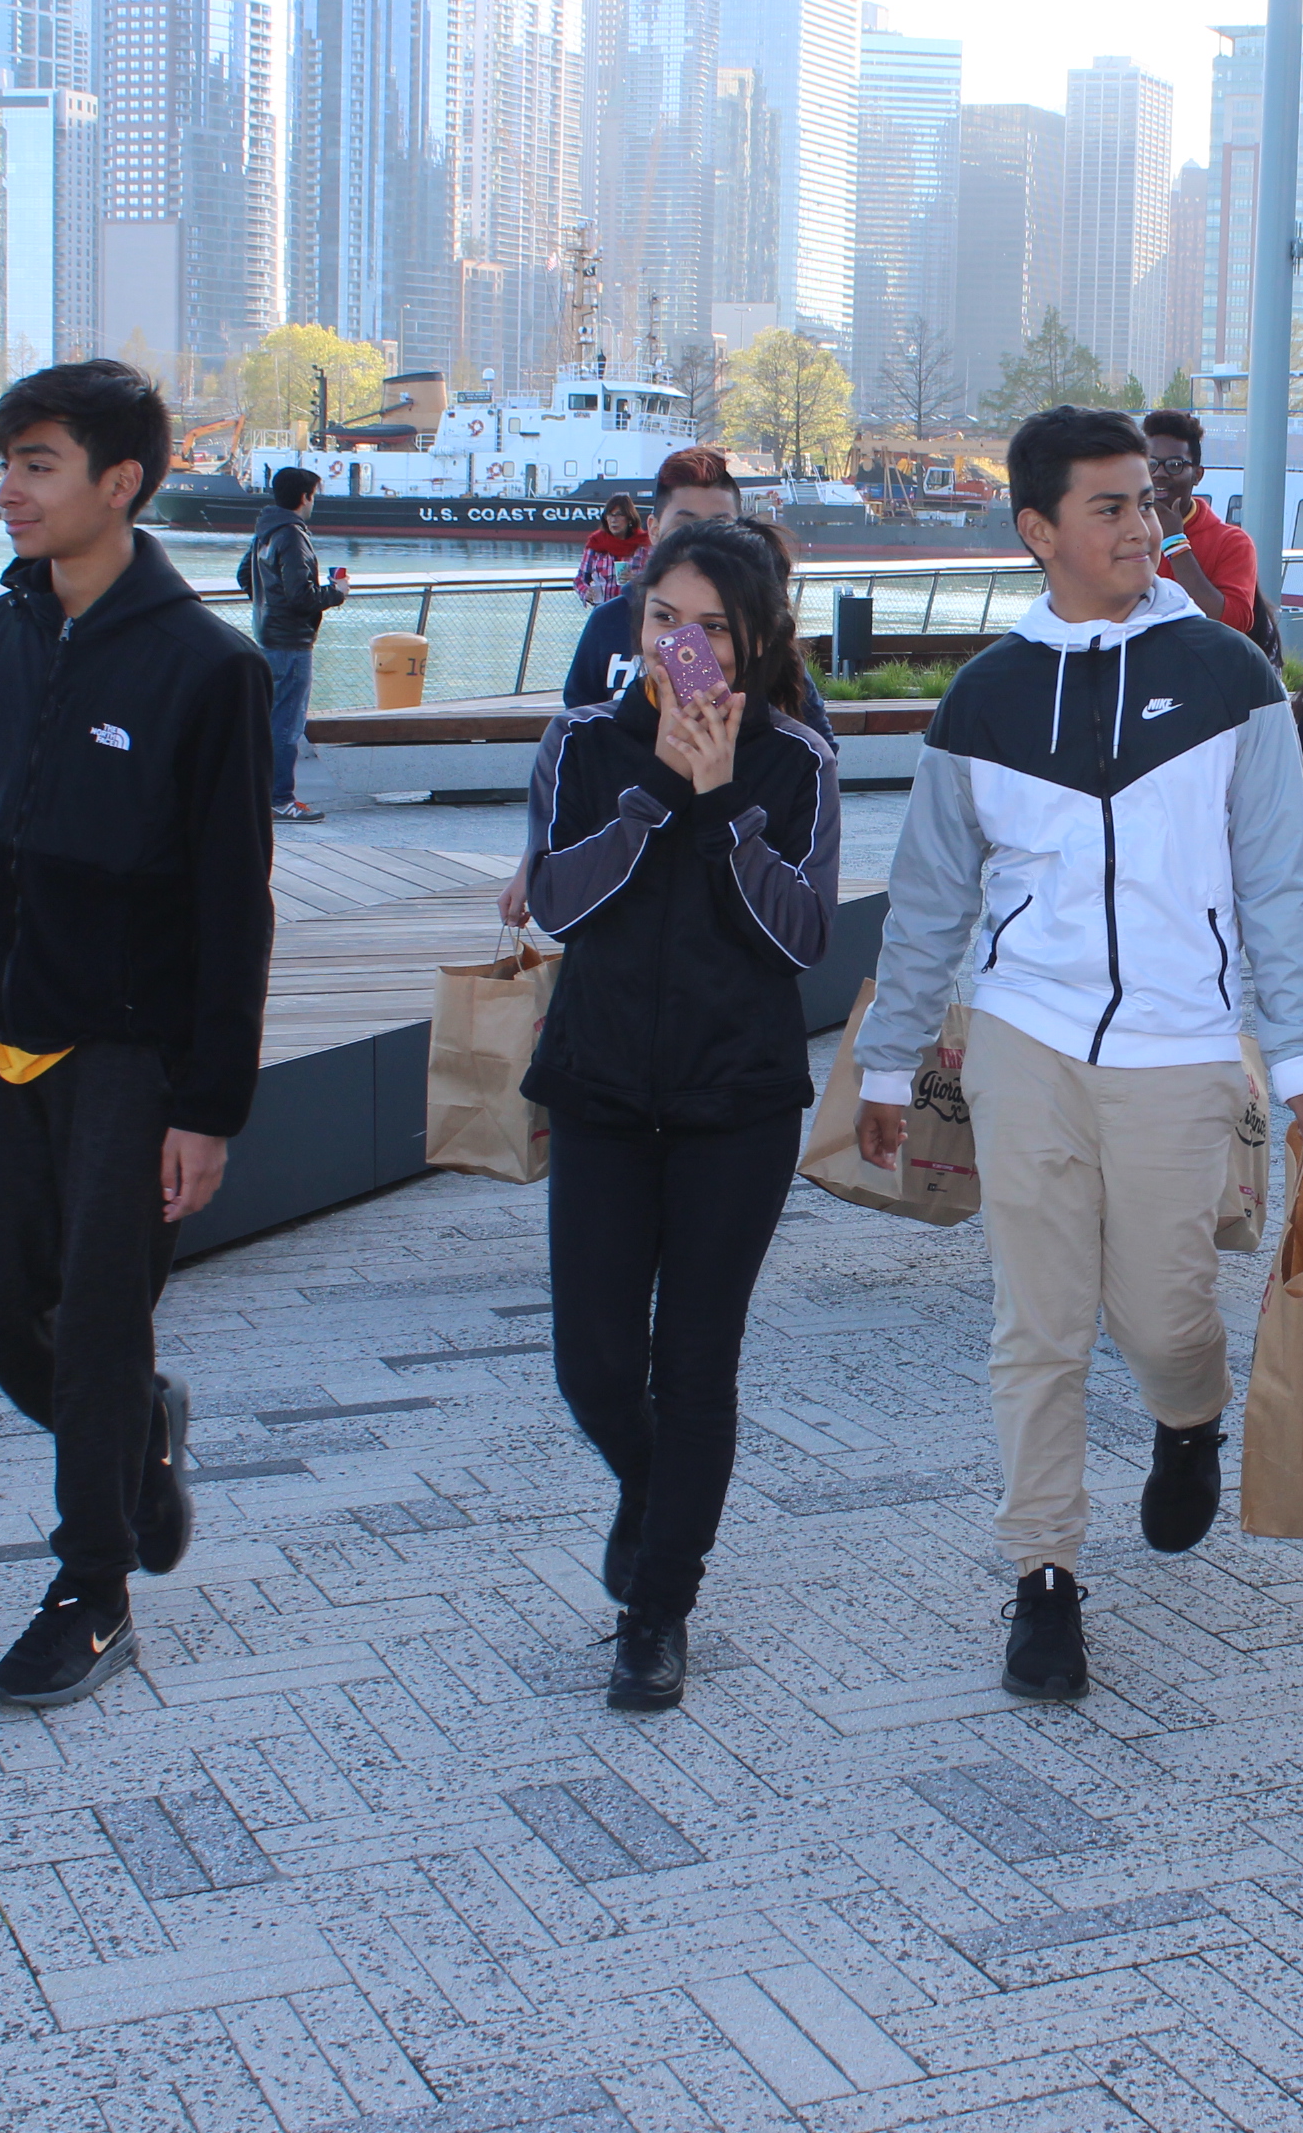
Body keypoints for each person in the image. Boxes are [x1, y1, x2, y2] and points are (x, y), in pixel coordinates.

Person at [852, 405, 1303, 1703]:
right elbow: (932, 898)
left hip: (1183, 1046)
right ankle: (1044, 1578)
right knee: (1041, 1323)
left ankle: (1191, 1416)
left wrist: (1297, 1053)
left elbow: (1277, 881)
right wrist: (889, 1065)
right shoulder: (986, 698)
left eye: (1148, 502)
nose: (1142, 525)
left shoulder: (1232, 677)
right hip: (1027, 1038)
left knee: (1161, 1315)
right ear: (1039, 530)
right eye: (1110, 506)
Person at [0, 359, 276, 1713]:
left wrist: (209, 1106)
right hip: (2, 1033)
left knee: (105, 1318)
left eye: (39, 464)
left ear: (120, 484)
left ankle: (93, 1587)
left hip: (132, 1052)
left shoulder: (208, 669)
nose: (9, 489)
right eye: (7, 461)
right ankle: (134, 1439)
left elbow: (235, 907)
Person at [519, 516, 841, 1713]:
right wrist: (657, 789)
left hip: (736, 1101)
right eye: (663, 619)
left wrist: (718, 806)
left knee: (695, 1364)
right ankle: (653, 1495)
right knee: (595, 1363)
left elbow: (797, 940)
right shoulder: (582, 741)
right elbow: (558, 905)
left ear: (754, 641)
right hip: (602, 1086)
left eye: (710, 627)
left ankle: (658, 1608)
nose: (682, 646)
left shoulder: (796, 761)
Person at [564, 448, 746, 708]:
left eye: (719, 526)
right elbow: (580, 713)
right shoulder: (608, 621)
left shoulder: (758, 624)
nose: (702, 539)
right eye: (685, 526)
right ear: (654, 530)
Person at [243, 465, 345, 822]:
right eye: (314, 495)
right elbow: (301, 597)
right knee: (287, 725)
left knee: (270, 721)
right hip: (292, 643)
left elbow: (244, 576)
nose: (314, 502)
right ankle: (280, 798)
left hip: (267, 637)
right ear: (305, 497)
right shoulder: (292, 535)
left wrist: (268, 603)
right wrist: (337, 592)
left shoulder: (265, 531)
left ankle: (261, 795)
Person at [1142, 406, 1266, 649]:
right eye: (1151, 464)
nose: (1159, 474)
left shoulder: (1232, 542)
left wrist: (1175, 543)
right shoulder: (1123, 531)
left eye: (1175, 465)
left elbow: (1234, 622)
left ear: (1197, 475)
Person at [574, 491, 651, 611]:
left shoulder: (644, 544)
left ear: (629, 518)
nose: (614, 520)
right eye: (610, 515)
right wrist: (586, 592)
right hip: (602, 610)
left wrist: (636, 580)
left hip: (634, 612)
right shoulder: (596, 543)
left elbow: (657, 579)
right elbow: (580, 579)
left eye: (619, 515)